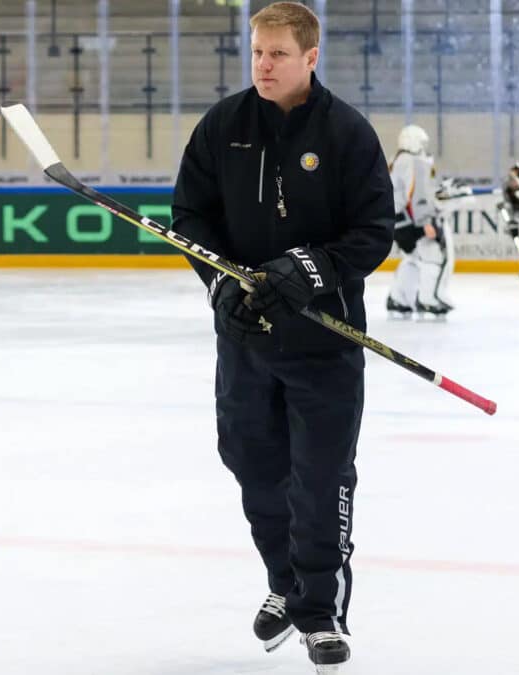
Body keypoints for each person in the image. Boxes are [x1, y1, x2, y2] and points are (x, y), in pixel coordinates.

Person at [170, 2, 394, 670]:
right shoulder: (224, 125)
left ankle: (321, 611)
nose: (263, 65)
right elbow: (191, 215)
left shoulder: (347, 133)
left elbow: (373, 231)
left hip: (324, 340)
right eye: (257, 52)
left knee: (320, 479)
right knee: (251, 462)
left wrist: (305, 269)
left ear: (311, 58)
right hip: (246, 339)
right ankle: (285, 583)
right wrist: (223, 286)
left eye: (278, 55)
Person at [384, 125, 458, 318]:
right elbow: (417, 194)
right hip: (411, 221)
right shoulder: (412, 161)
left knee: (413, 259)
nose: (423, 147)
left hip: (397, 220)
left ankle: (398, 299)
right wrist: (426, 221)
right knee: (433, 258)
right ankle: (428, 299)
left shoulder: (397, 160)